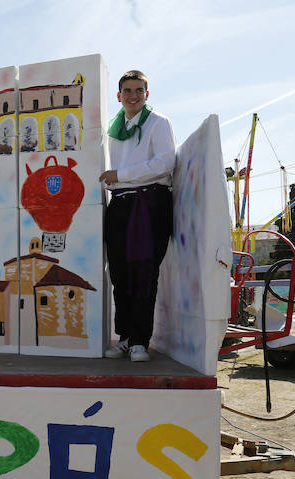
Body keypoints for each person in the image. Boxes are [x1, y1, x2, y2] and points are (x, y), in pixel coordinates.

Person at [99, 70, 176, 362]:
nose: (133, 95)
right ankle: (127, 337)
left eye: (139, 90)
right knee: (119, 273)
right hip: (119, 203)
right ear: (118, 96)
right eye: (127, 91)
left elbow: (166, 162)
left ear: (147, 94)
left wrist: (122, 175)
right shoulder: (112, 130)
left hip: (149, 203)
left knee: (144, 273)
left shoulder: (158, 123)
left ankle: (141, 341)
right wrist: (116, 181)